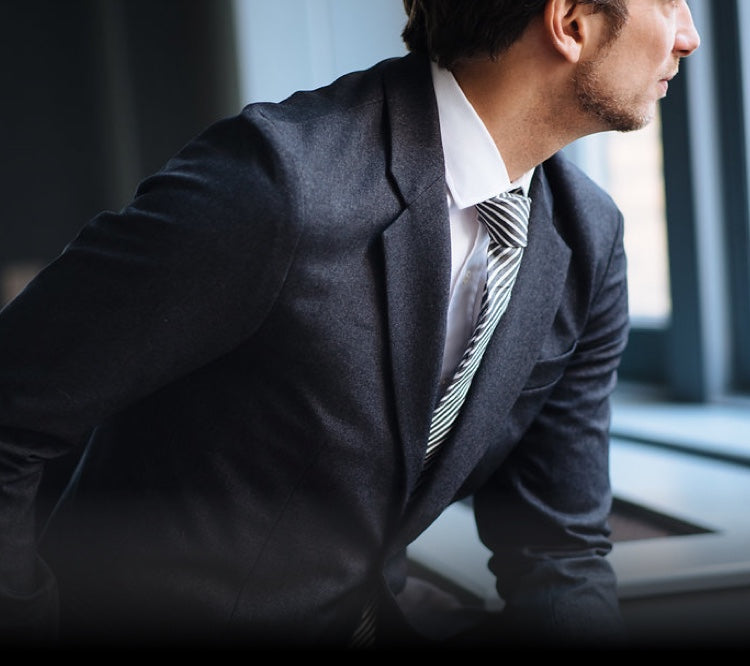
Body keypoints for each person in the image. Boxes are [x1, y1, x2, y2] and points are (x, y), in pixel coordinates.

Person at [0, 0, 699, 649]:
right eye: (668, 1)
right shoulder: (278, 187)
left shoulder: (587, 239)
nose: (690, 34)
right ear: (571, 21)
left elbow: (560, 545)